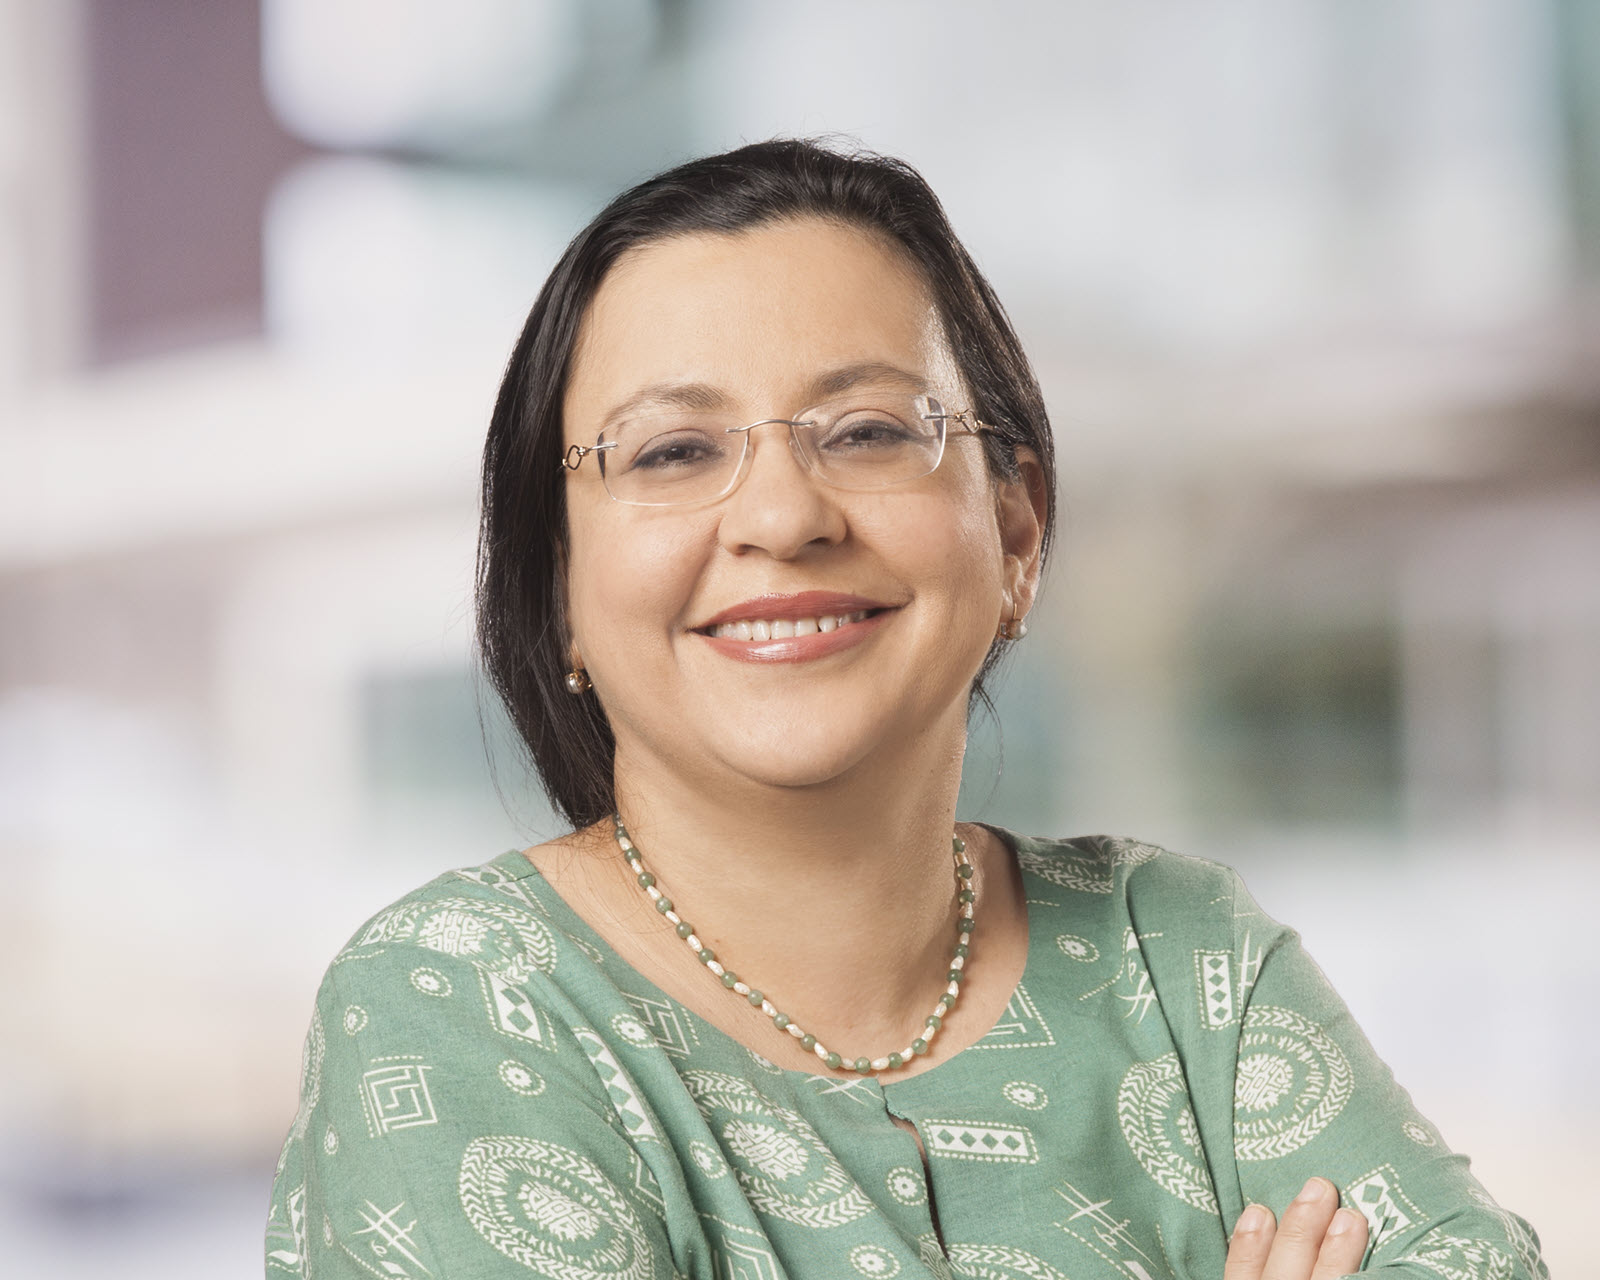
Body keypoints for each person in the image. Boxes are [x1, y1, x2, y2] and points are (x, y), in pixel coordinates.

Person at [265, 140, 1546, 1280]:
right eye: (672, 451)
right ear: (556, 596)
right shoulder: (456, 1003)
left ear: (1016, 530)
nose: (782, 516)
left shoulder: (1182, 954)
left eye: (869, 430)